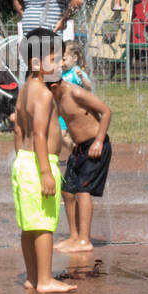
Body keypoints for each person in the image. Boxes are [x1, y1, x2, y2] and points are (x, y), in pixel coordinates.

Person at [12, 28, 75, 293]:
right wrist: (46, 172)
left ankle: (32, 276)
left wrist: (21, 161)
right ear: (36, 63)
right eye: (55, 58)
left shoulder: (26, 88)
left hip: (24, 162)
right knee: (45, 225)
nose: (61, 63)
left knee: (29, 225)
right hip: (40, 163)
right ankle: (46, 280)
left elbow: (17, 128)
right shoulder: (44, 94)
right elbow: (39, 132)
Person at [52, 61, 112, 254]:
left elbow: (105, 111)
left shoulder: (74, 93)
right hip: (79, 148)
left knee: (82, 191)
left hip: (95, 145)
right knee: (67, 190)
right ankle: (74, 236)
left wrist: (99, 141)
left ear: (53, 86)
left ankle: (85, 240)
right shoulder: (56, 99)